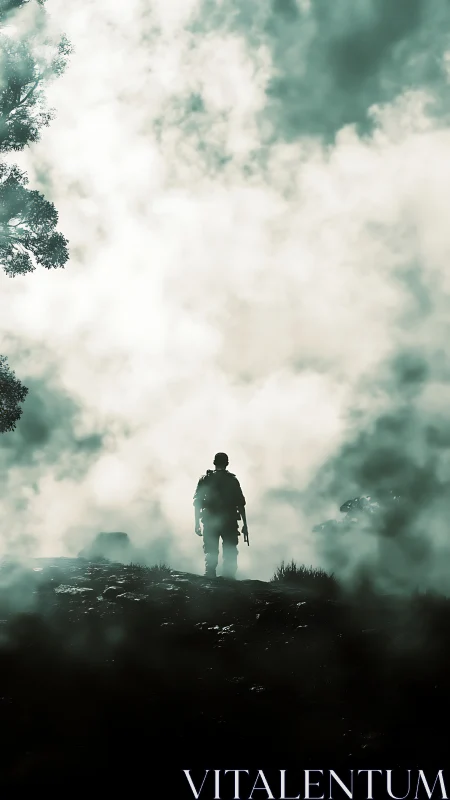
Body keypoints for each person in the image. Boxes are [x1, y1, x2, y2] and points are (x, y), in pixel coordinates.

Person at [193, 452, 248, 579]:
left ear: (214, 463)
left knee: (211, 549)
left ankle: (210, 574)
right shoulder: (232, 480)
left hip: (210, 520)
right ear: (227, 463)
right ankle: (228, 577)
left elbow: (197, 502)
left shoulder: (205, 479)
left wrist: (197, 523)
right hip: (229, 521)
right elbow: (240, 504)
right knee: (230, 549)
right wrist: (245, 525)